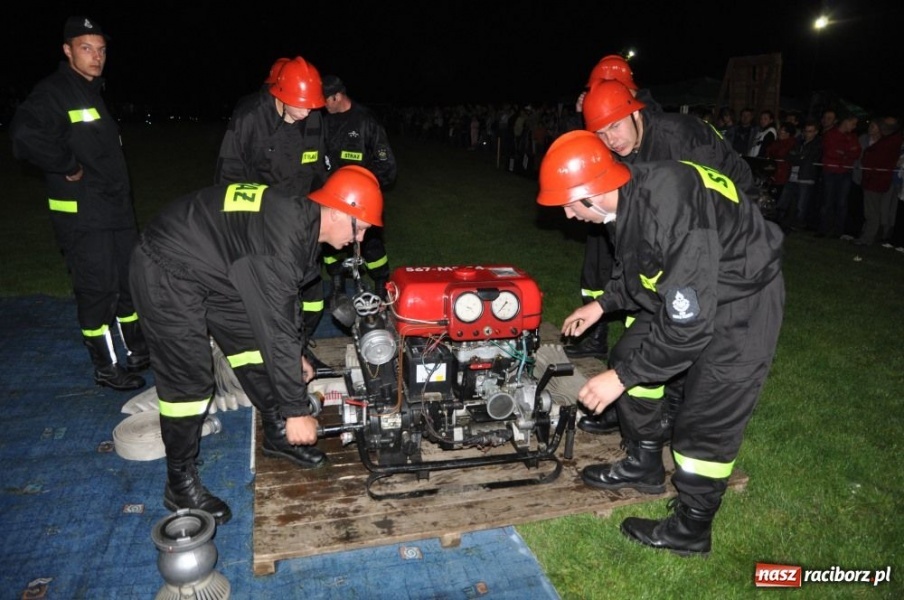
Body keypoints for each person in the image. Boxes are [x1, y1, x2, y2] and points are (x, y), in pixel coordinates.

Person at [537, 130, 784, 556]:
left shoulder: (669, 210)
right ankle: (645, 460)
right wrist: (602, 305)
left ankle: (691, 527)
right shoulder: (630, 195)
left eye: (569, 204)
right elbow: (640, 264)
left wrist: (621, 379)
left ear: (594, 192)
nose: (567, 214)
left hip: (742, 299)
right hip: (698, 284)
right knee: (628, 354)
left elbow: (689, 326)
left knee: (706, 417)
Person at [129, 166, 384, 525]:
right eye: (361, 227)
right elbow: (276, 322)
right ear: (339, 211)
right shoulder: (281, 244)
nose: (363, 237)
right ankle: (179, 481)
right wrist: (298, 410)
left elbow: (278, 309)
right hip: (167, 267)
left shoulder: (301, 226)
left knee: (252, 345)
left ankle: (276, 433)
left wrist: (294, 351)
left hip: (219, 268)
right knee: (190, 382)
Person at [576, 78, 758, 438]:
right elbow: (627, 230)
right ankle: (632, 408)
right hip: (672, 245)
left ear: (635, 112)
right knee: (638, 340)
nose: (612, 140)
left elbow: (710, 206)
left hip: (719, 239)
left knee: (684, 327)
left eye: (615, 126)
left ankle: (670, 412)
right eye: (602, 133)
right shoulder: (620, 153)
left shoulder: (682, 137)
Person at [10, 15, 148, 391]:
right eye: (86, 49)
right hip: (84, 216)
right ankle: (106, 366)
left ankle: (137, 348)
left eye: (101, 50)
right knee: (98, 289)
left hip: (115, 212)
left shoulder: (91, 92)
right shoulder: (54, 91)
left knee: (127, 282)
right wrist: (65, 164)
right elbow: (24, 136)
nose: (96, 57)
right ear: (67, 50)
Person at [568, 55, 663, 436]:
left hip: (687, 254)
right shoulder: (614, 137)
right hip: (629, 224)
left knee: (654, 344)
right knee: (632, 345)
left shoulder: (668, 140)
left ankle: (654, 418)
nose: (610, 137)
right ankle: (632, 416)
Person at [214, 56, 330, 366]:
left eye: (313, 104)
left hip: (302, 220)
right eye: (301, 104)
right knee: (279, 300)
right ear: (280, 94)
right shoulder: (250, 119)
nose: (308, 110)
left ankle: (298, 347)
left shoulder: (313, 118)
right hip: (261, 226)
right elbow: (228, 180)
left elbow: (318, 171)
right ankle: (285, 357)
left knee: (314, 300)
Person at [320, 75, 397, 303]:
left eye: (325, 100)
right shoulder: (322, 120)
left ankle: (381, 286)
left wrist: (368, 189)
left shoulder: (366, 121)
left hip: (361, 200)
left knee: (371, 245)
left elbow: (386, 164)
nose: (321, 105)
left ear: (337, 96)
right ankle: (337, 286)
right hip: (332, 198)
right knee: (330, 247)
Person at [856, 117, 903, 246]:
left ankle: (867, 239)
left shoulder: (889, 142)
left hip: (875, 181)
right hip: (878, 180)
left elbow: (873, 158)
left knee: (872, 212)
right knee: (874, 211)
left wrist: (867, 156)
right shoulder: (890, 140)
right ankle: (869, 236)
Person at [817, 114, 861, 238]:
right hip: (830, 171)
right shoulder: (830, 134)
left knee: (842, 203)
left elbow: (856, 152)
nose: (855, 127)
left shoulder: (852, 137)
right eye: (853, 123)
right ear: (846, 122)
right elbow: (831, 151)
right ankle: (823, 229)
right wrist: (846, 152)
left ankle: (838, 231)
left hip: (845, 172)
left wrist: (844, 152)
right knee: (828, 201)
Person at [776, 120, 822, 231]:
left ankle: (797, 224)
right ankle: (778, 221)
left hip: (806, 178)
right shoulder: (799, 142)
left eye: (810, 131)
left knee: (801, 205)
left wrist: (798, 157)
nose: (807, 134)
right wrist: (799, 157)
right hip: (792, 176)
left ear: (816, 132)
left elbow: (807, 159)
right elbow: (790, 156)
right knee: (784, 200)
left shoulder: (817, 144)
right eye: (806, 131)